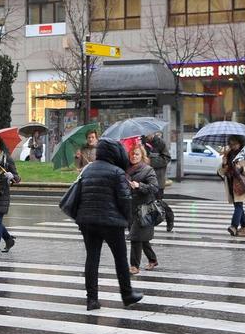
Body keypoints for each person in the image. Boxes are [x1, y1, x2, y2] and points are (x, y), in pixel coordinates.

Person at [74, 137, 144, 311]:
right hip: (111, 223)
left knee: (92, 258)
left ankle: (92, 299)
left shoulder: (87, 170)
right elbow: (124, 200)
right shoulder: (116, 172)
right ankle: (127, 294)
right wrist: (127, 220)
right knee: (120, 259)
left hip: (88, 221)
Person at [126, 143, 160, 274]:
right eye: (132, 154)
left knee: (135, 237)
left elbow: (154, 188)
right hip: (130, 208)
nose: (134, 156)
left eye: (136, 154)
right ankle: (153, 259)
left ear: (142, 155)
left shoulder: (147, 170)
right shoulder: (126, 169)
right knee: (142, 238)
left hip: (144, 209)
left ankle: (134, 266)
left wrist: (139, 185)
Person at [218, 135, 245, 237]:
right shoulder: (227, 155)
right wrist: (223, 165)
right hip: (231, 183)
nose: (232, 146)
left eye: (234, 143)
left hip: (241, 183)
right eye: (230, 143)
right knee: (237, 205)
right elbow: (221, 172)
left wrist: (242, 168)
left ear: (240, 143)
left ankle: (234, 226)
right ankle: (244, 226)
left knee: (238, 205)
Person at [143, 132, 174, 232]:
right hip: (145, 178)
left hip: (158, 179)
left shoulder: (160, 143)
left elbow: (166, 158)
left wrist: (151, 161)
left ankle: (169, 217)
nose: (146, 135)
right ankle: (145, 225)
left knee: (158, 203)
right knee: (145, 203)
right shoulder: (142, 142)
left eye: (148, 133)